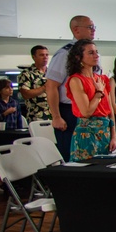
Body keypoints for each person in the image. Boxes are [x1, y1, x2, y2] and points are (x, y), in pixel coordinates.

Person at [45, 15, 98, 160]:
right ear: (76, 30)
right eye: (90, 27)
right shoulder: (65, 54)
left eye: (94, 27)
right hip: (70, 112)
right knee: (72, 157)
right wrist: (56, 116)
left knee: (92, 158)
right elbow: (51, 86)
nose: (93, 30)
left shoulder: (92, 53)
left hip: (92, 111)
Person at [64, 39, 116, 161]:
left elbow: (110, 110)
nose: (96, 55)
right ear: (78, 57)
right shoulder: (76, 80)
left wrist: (114, 136)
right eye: (91, 53)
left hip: (105, 133)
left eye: (96, 52)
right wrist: (98, 93)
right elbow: (86, 112)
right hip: (87, 134)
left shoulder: (102, 79)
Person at [17, 45, 51, 122]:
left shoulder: (52, 72)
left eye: (46, 55)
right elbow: (25, 94)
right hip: (37, 115)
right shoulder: (27, 74)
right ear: (34, 57)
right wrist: (45, 87)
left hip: (54, 114)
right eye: (41, 55)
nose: (45, 57)